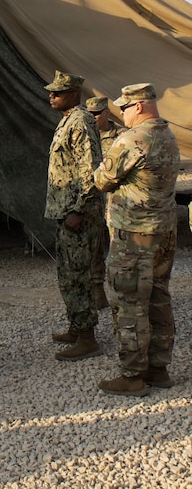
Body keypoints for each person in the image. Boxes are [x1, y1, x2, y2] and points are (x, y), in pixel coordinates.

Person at [94, 83, 180, 396]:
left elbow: (103, 179)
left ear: (139, 106)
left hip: (134, 236)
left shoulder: (133, 138)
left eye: (126, 108)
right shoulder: (168, 136)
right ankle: (159, 368)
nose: (124, 114)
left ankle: (132, 376)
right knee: (158, 298)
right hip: (164, 231)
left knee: (129, 302)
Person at [44, 71, 104, 361]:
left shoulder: (79, 122)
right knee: (68, 273)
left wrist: (79, 209)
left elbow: (89, 169)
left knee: (77, 274)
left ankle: (87, 338)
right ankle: (76, 326)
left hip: (76, 212)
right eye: (52, 92)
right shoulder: (68, 120)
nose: (51, 96)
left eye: (57, 92)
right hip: (66, 210)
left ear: (73, 94)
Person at [85, 96, 128, 310]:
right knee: (94, 249)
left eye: (97, 113)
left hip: (115, 203)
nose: (92, 117)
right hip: (93, 202)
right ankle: (97, 292)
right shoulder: (85, 136)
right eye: (90, 113)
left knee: (118, 249)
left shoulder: (122, 136)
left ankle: (122, 296)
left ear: (107, 113)